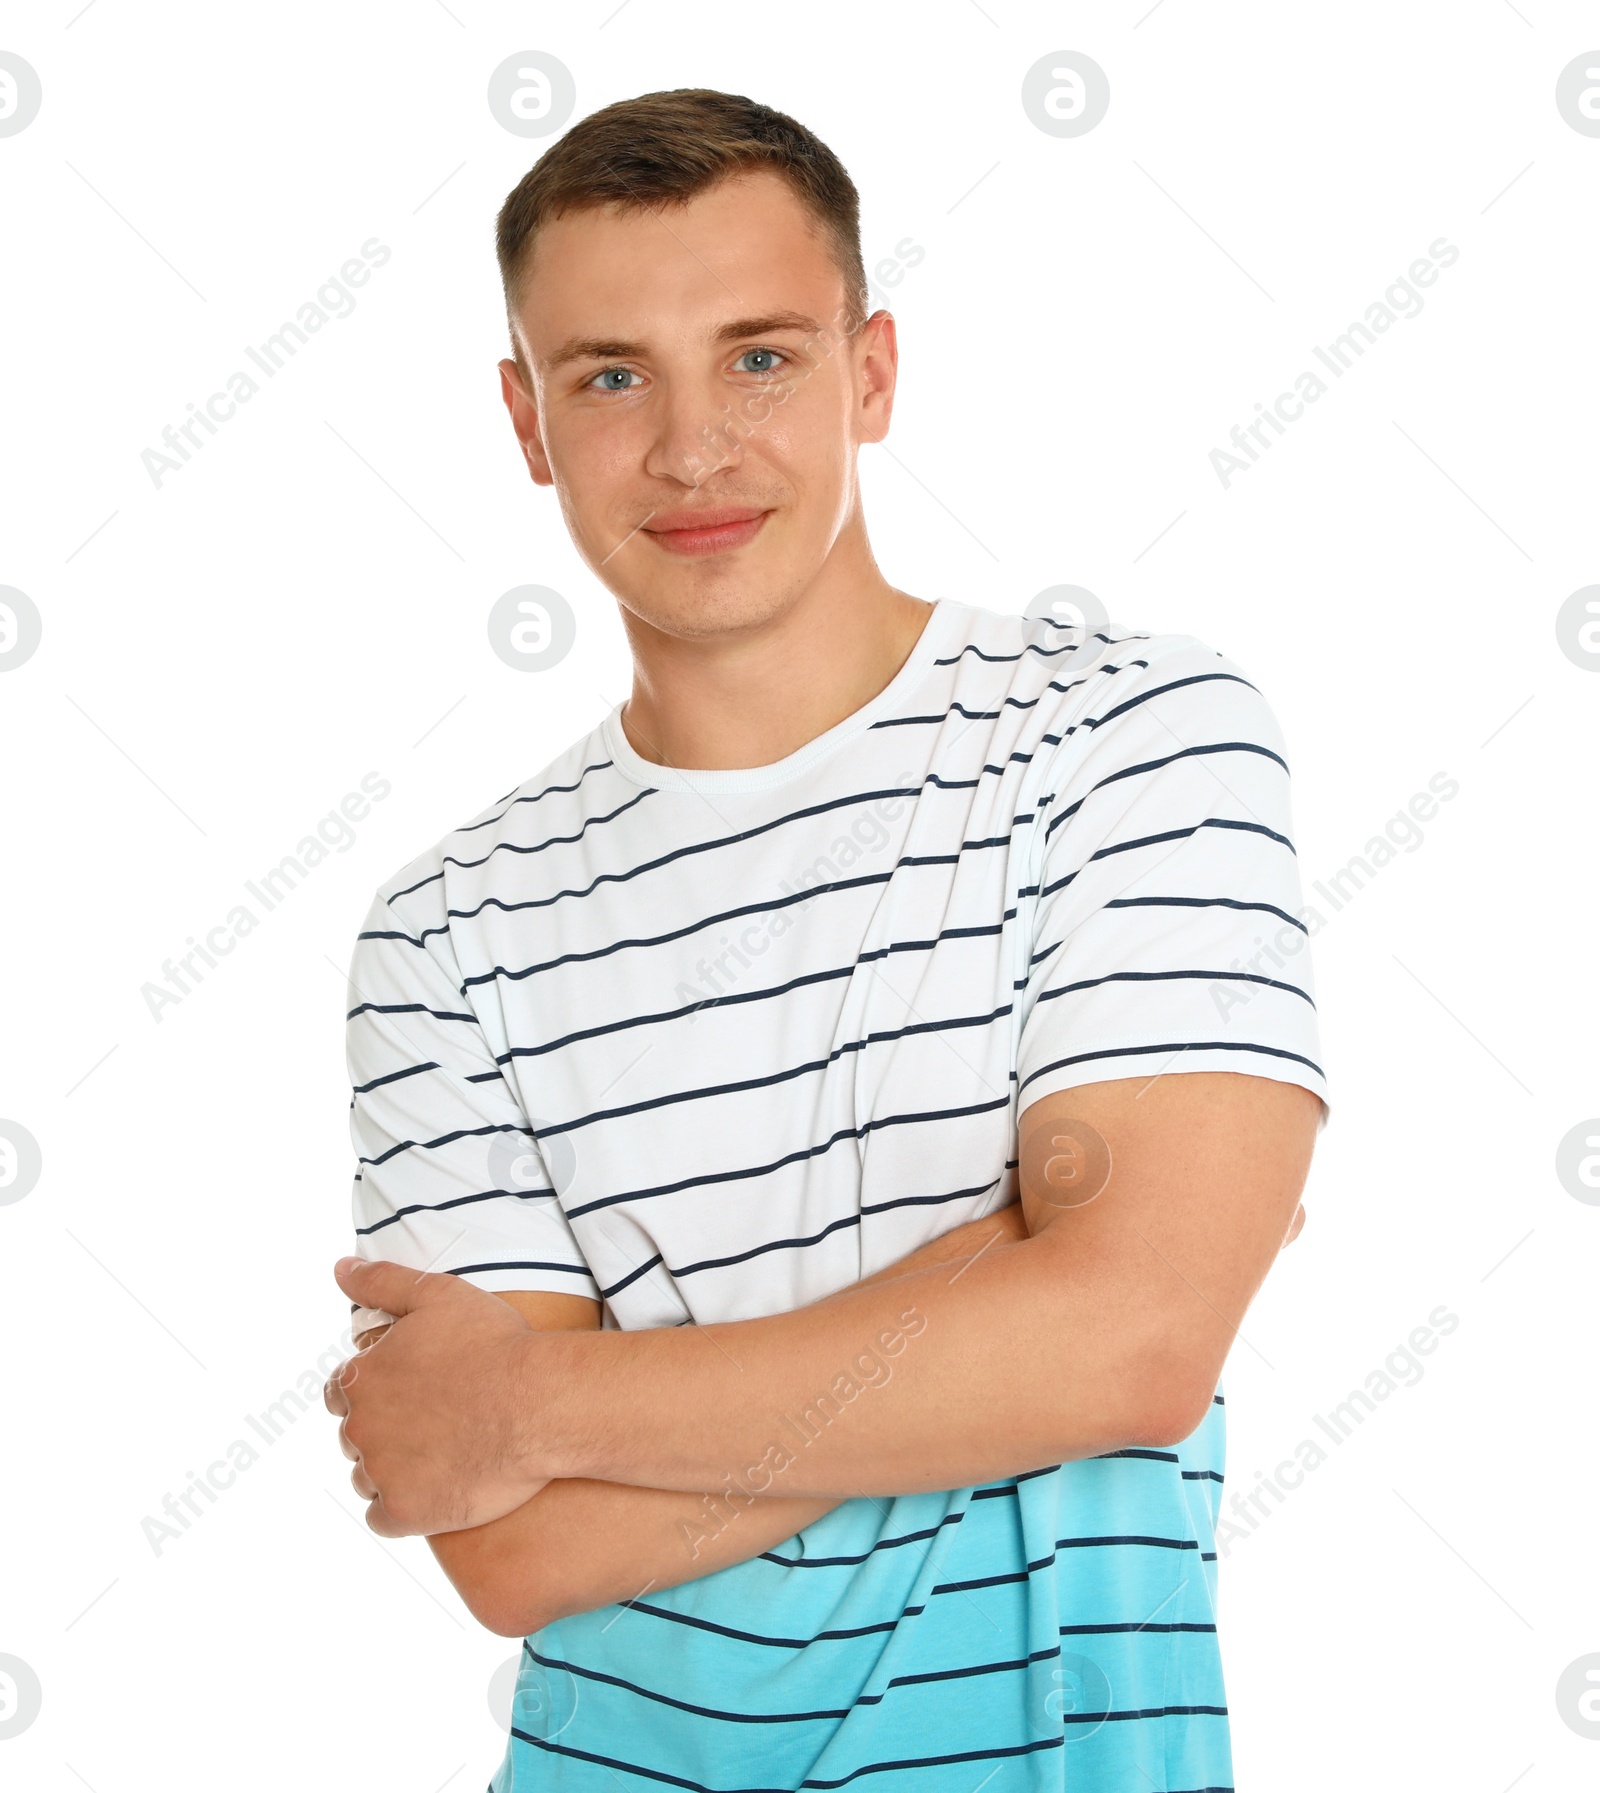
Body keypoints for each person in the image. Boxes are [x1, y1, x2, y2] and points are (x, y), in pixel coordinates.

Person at [324, 87, 1326, 1793]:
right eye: (612, 374)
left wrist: (534, 1405)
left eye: (763, 357)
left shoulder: (1132, 734)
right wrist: (1001, 1269)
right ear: (527, 418)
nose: (695, 447)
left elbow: (1139, 1343)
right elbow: (515, 1552)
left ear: (872, 372)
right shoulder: (445, 929)